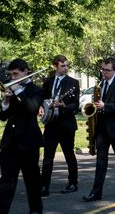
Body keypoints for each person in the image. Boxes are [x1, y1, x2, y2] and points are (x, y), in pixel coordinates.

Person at [0, 59, 43, 214]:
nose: (12, 77)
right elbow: (3, 116)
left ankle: (35, 211)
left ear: (26, 71)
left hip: (29, 142)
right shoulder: (11, 89)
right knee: (6, 182)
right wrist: (6, 100)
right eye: (10, 74)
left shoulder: (36, 90)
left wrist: (19, 90)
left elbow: (32, 108)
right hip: (10, 143)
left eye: (15, 74)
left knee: (32, 181)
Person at [82, 57, 115, 202]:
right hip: (102, 128)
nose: (104, 73)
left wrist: (105, 106)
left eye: (107, 70)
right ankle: (96, 192)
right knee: (100, 162)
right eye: (102, 70)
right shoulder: (101, 84)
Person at [40, 55, 80, 197]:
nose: (66, 68)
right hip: (51, 124)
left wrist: (65, 106)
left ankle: (73, 183)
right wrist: (41, 108)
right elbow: (42, 98)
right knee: (47, 157)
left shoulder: (73, 82)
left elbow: (76, 105)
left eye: (67, 65)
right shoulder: (48, 82)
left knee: (69, 155)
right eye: (63, 66)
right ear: (55, 66)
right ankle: (44, 186)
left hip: (66, 124)